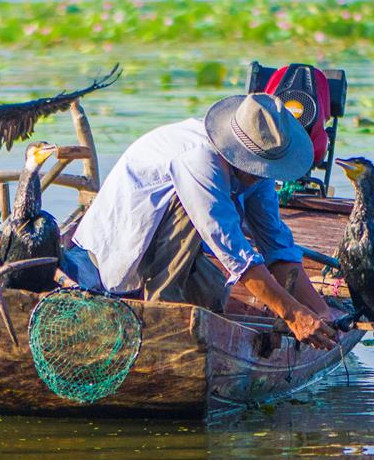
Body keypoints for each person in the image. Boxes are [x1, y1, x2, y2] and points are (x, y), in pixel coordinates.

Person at [65, 93, 339, 350]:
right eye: (255, 168)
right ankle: (159, 322)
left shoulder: (260, 169)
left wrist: (320, 310)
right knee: (192, 212)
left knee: (213, 296)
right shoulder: (199, 159)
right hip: (113, 255)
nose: (260, 176)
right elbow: (234, 253)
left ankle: (180, 313)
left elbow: (276, 245)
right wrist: (292, 314)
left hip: (177, 252)